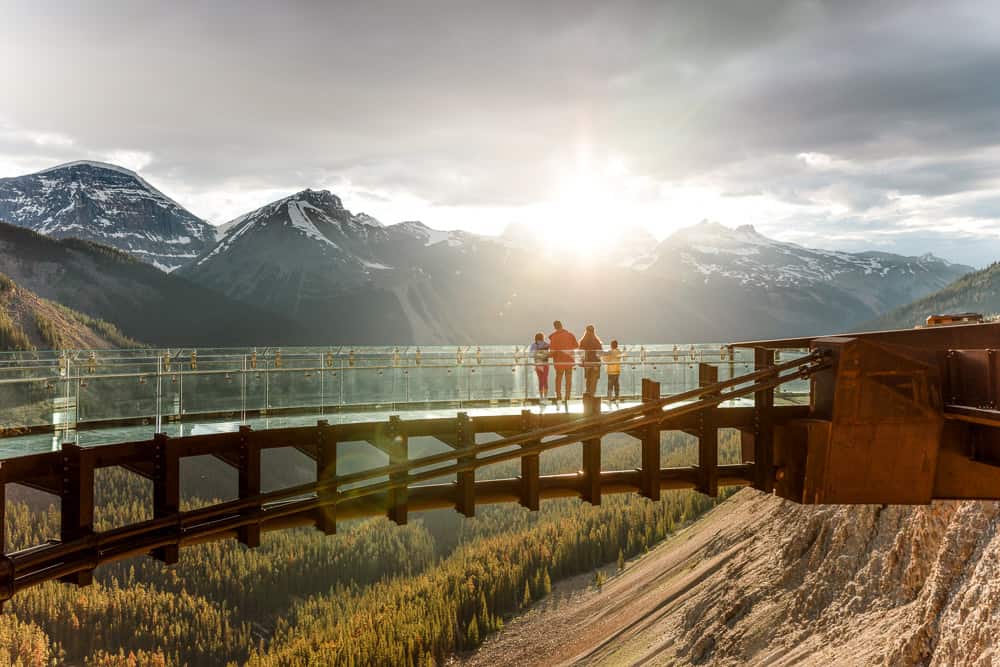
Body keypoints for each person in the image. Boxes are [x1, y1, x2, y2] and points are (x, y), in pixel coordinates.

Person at [548, 320, 578, 406]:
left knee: (558, 379)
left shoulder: (554, 337)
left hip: (559, 361)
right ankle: (567, 397)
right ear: (562, 325)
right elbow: (576, 345)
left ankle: (559, 397)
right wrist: (568, 349)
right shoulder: (570, 335)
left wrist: (546, 356)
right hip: (569, 361)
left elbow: (552, 351)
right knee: (568, 379)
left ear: (555, 327)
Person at [578, 324, 603, 396]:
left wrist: (583, 362)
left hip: (587, 364)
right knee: (594, 381)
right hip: (595, 363)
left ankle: (588, 395)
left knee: (588, 380)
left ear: (586, 331)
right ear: (594, 331)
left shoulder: (583, 341)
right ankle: (592, 395)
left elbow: (581, 352)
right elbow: (600, 352)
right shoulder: (597, 341)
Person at [528, 332, 550, 403]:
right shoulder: (546, 344)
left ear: (536, 338)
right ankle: (546, 397)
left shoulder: (533, 345)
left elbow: (530, 354)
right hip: (545, 364)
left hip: (538, 364)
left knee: (540, 380)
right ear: (542, 338)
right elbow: (549, 354)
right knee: (545, 380)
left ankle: (541, 397)